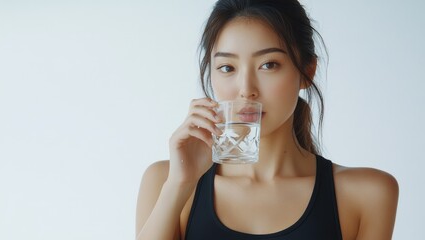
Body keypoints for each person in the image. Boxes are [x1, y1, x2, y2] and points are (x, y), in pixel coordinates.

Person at [135, 0, 399, 239]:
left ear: (307, 71)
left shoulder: (367, 194)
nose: (246, 88)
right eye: (227, 67)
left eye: (268, 64)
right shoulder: (164, 181)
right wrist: (180, 185)